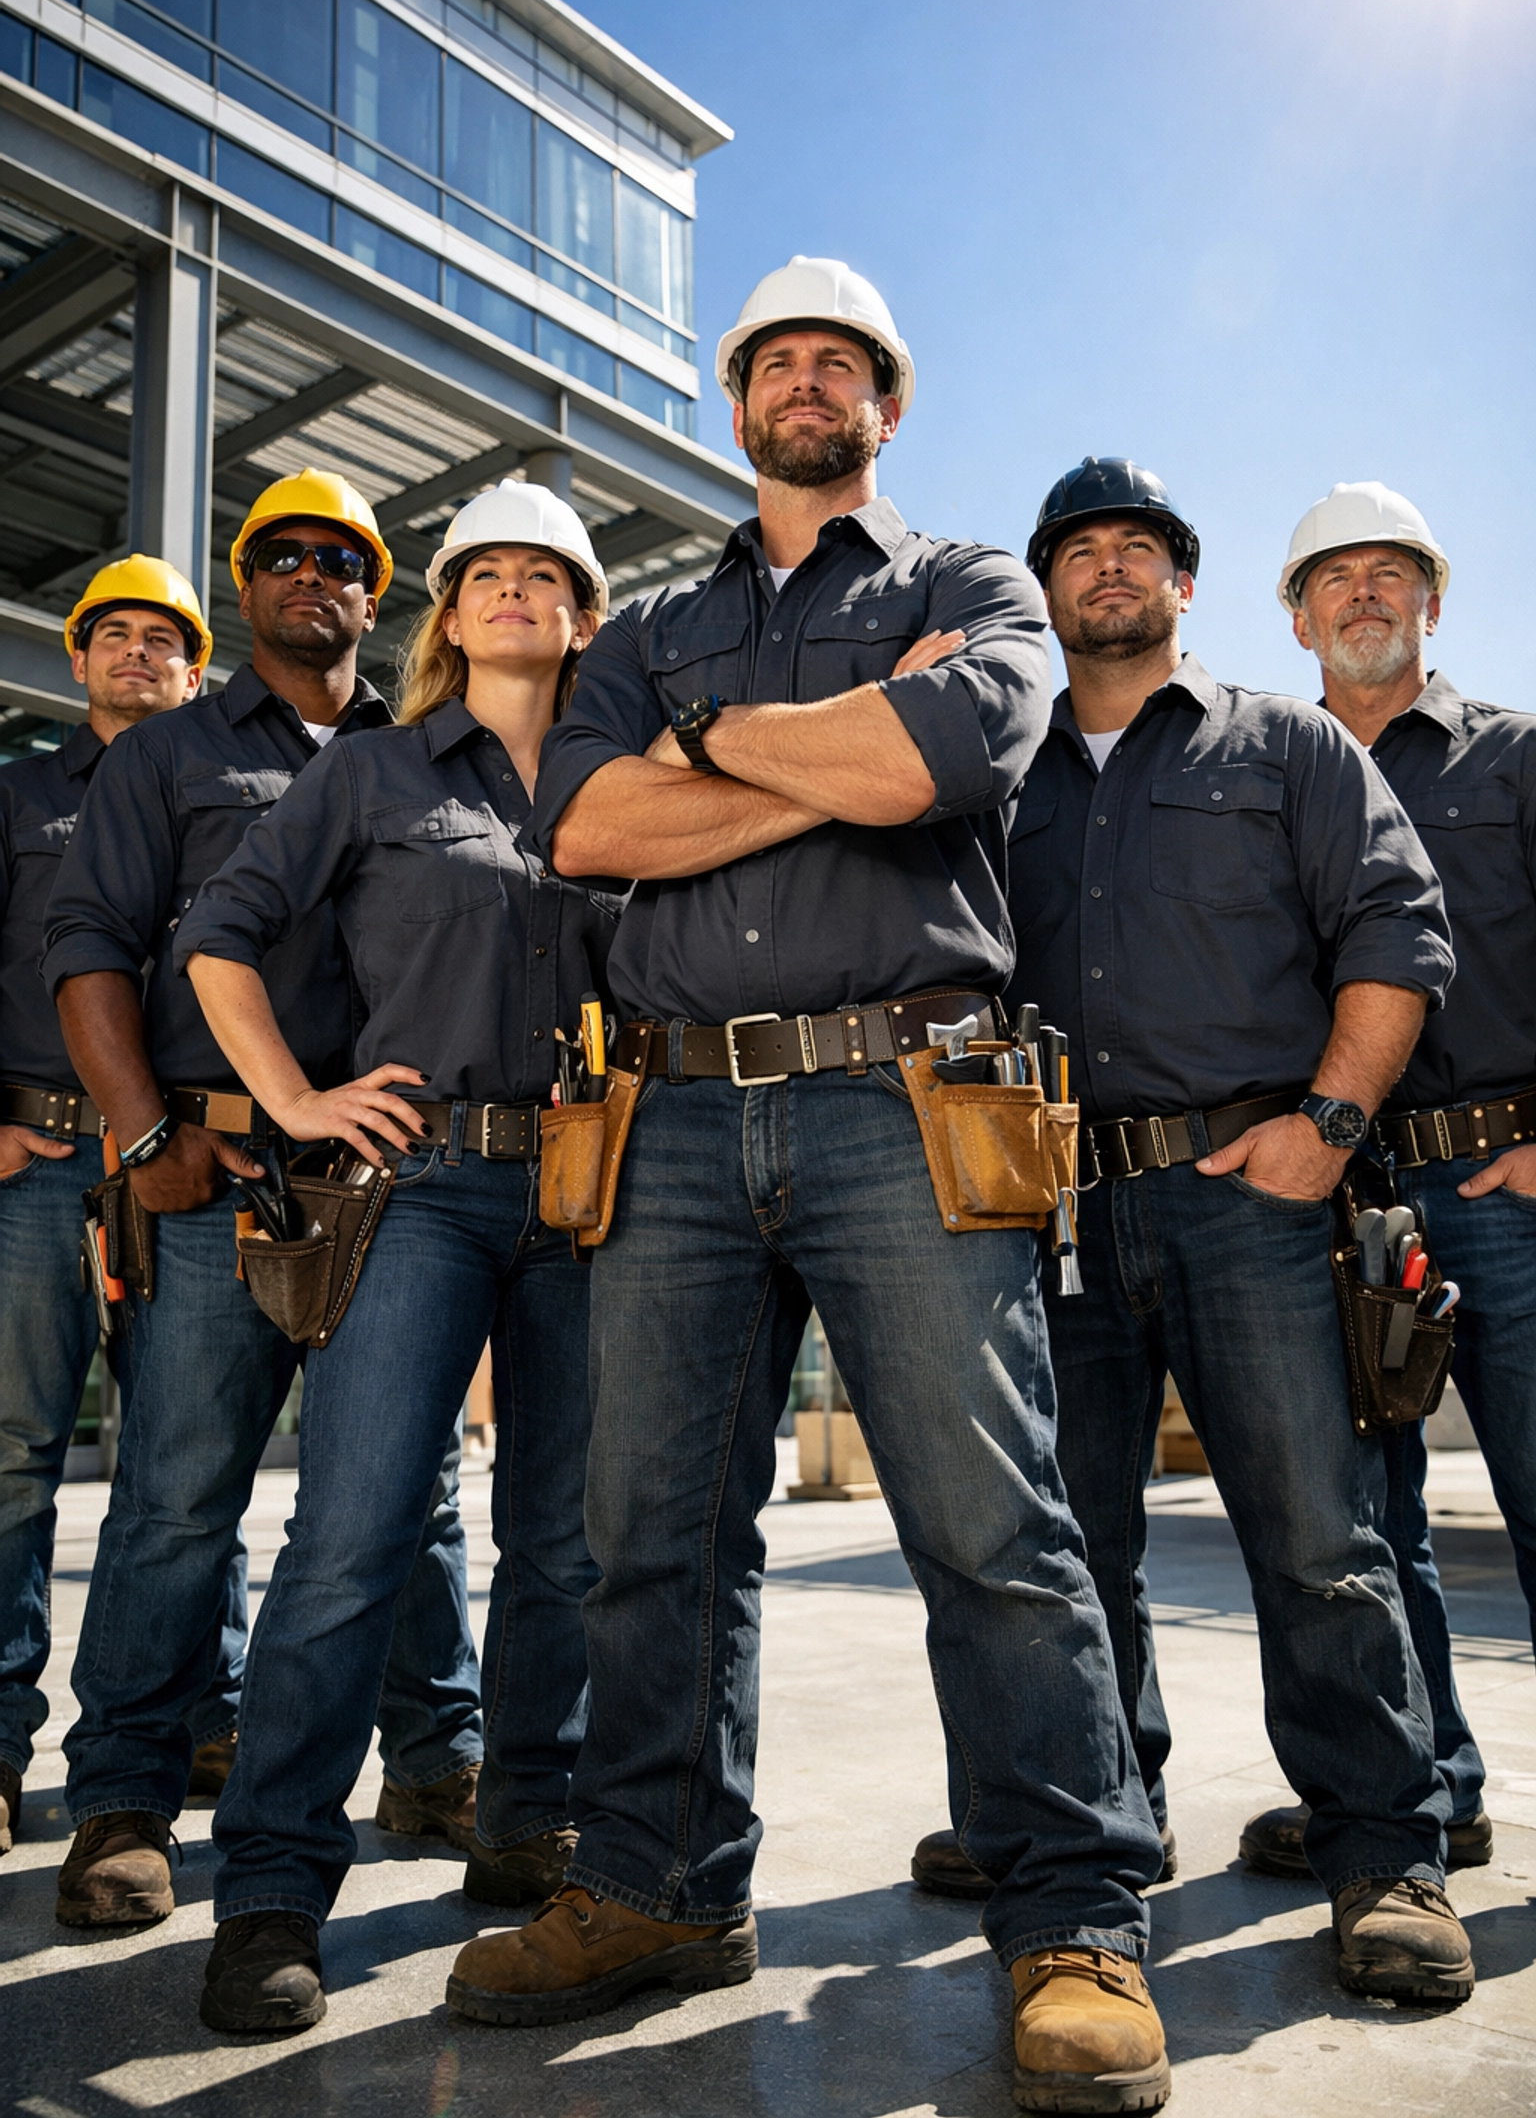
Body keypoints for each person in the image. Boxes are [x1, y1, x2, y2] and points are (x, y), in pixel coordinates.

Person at [455, 261, 1175, 2118]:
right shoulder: (660, 619)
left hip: (906, 1094)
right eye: (775, 358)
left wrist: (732, 754)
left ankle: (1072, 1916)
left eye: (839, 361)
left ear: (888, 403)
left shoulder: (970, 588)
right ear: (738, 397)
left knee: (991, 1525)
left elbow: (960, 750)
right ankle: (658, 1889)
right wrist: (831, 759)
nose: (805, 380)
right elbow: (587, 825)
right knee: (653, 1534)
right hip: (677, 1115)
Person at [972, 455, 1473, 2010]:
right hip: (1054, 1205)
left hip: (1251, 1193)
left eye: (1140, 550)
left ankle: (1384, 1851)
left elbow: (1401, 929)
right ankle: (1096, 1826)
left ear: (1185, 584)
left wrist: (1325, 1131)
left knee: (1320, 1538)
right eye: (1079, 551)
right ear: (1045, 591)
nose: (1109, 569)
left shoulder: (1290, 744)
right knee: (1074, 1552)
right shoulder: (998, 774)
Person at [173, 479, 615, 2034]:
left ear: (581, 612)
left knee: (564, 1540)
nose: (510, 592)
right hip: (417, 1188)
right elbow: (218, 941)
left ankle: (529, 1816)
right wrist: (296, 1099)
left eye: (540, 573)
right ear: (446, 610)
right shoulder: (367, 774)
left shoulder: (630, 782)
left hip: (589, 1199)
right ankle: (275, 1889)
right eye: (481, 572)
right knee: (353, 1534)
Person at [40, 471, 482, 1931]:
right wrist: (140, 1131)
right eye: (284, 555)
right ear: (247, 587)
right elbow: (90, 948)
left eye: (343, 557)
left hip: (391, 1184)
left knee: (409, 1500)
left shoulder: (432, 752)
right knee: (176, 1495)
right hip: (211, 1176)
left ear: (379, 587)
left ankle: (437, 1760)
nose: (315, 575)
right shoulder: (162, 757)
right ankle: (124, 1795)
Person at [1239, 481, 1532, 1878]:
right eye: (1333, 577)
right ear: (1296, 617)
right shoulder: (1254, 780)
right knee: (1369, 1522)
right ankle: (1427, 1789)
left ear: (1431, 602)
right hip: (1351, 1208)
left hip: (1509, 1186)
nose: (1362, 594)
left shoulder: (1512, 757)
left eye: (1390, 574)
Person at [0, 562, 207, 1858]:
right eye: (114, 637)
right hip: (46, 1167)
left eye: (164, 642)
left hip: (185, 1169)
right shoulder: (18, 794)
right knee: (16, 1453)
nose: (138, 655)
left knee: (193, 1458)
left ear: (197, 670)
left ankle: (206, 1719)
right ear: (78, 662)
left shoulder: (228, 797)